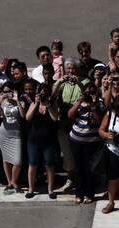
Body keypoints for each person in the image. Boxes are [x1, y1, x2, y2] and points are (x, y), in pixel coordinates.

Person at [54, 58, 86, 193]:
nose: (71, 71)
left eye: (73, 68)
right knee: (66, 152)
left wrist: (80, 84)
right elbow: (51, 97)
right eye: (69, 69)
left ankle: (82, 179)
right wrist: (58, 84)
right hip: (64, 122)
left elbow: (89, 94)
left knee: (80, 153)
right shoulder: (61, 83)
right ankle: (70, 178)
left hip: (80, 121)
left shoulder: (84, 81)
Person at [68, 83, 103, 204]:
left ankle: (89, 194)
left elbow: (99, 121)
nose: (90, 94)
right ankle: (79, 194)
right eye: (87, 92)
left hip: (92, 141)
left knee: (90, 169)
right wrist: (79, 102)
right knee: (78, 167)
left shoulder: (99, 103)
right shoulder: (80, 102)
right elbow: (70, 114)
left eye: (92, 92)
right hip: (76, 139)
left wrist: (93, 106)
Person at [25, 83, 58, 199]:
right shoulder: (34, 103)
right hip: (34, 140)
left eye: (46, 94)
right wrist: (36, 103)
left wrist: (48, 105)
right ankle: (31, 188)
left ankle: (50, 189)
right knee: (32, 164)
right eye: (42, 93)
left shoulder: (53, 103)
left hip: (49, 141)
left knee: (49, 165)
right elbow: (28, 118)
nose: (44, 96)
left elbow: (55, 118)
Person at [0, 82, 26, 194]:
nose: (7, 94)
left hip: (16, 134)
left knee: (17, 161)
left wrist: (16, 100)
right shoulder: (2, 102)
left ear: (14, 91)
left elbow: (23, 115)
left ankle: (13, 181)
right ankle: (10, 183)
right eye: (5, 92)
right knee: (6, 160)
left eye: (9, 91)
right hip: (4, 134)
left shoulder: (20, 101)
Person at [98, 94, 119, 214]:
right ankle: (111, 202)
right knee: (112, 177)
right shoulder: (110, 114)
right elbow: (101, 129)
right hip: (113, 150)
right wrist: (106, 135)